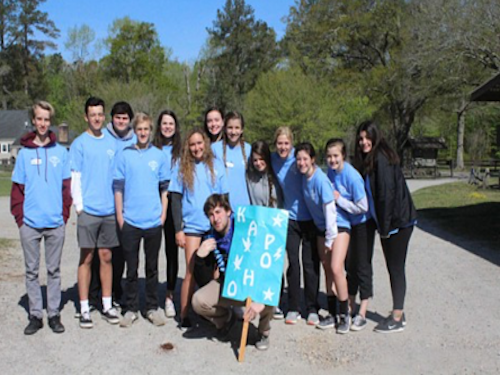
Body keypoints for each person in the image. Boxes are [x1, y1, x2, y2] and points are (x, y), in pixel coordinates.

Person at [11, 101, 71, 335]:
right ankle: (36, 314)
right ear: (33, 121)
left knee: (54, 270)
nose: (43, 123)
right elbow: (17, 190)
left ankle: (54, 313)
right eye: (39, 119)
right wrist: (20, 219)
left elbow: (66, 188)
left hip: (55, 223)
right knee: (32, 271)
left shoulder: (60, 152)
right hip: (31, 224)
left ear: (50, 121)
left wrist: (64, 214)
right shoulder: (25, 154)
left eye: (47, 119)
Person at [354, 120, 417, 333]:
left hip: (398, 223)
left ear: (375, 136)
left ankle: (397, 316)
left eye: (367, 137)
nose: (363, 142)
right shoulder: (370, 159)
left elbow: (387, 195)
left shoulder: (381, 158)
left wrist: (386, 227)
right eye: (360, 138)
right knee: (393, 267)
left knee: (396, 267)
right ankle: (398, 310)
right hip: (389, 223)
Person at [191, 194, 274, 350]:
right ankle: (226, 320)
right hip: (229, 285)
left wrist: (260, 302)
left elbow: (271, 268)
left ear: (228, 211)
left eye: (218, 212)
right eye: (210, 215)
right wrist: (200, 258)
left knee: (270, 297)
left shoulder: (247, 228)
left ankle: (263, 332)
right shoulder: (209, 238)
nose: (215, 219)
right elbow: (203, 282)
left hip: (253, 284)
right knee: (198, 300)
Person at [168, 128, 228, 330]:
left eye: (199, 143)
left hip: (213, 227)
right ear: (188, 146)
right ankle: (184, 315)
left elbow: (224, 197)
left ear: (205, 143)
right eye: (192, 144)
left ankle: (211, 313)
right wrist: (178, 229)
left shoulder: (216, 165)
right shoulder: (181, 167)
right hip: (192, 226)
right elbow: (175, 199)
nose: (196, 148)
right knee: (191, 271)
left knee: (215, 273)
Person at [114, 113, 169, 327]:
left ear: (151, 131)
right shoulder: (125, 155)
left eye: (146, 129)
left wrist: (162, 215)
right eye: (140, 129)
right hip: (131, 221)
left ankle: (152, 307)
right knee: (132, 267)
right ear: (134, 131)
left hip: (153, 221)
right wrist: (120, 216)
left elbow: (164, 188)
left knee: (152, 267)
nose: (143, 133)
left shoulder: (159, 156)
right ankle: (131, 308)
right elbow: (118, 188)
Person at [70, 97, 120, 329]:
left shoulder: (112, 142)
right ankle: (84, 308)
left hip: (109, 210)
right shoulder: (80, 143)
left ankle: (107, 304)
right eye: (93, 114)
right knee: (87, 258)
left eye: (100, 114)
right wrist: (79, 207)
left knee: (106, 257)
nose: (97, 118)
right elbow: (75, 177)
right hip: (88, 211)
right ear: (86, 117)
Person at [89, 101, 135, 310]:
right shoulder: (104, 137)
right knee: (100, 252)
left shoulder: (135, 139)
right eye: (118, 117)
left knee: (120, 253)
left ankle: (116, 289)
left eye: (125, 118)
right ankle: (94, 292)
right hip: (104, 202)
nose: (121, 121)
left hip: (127, 204)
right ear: (112, 118)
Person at [271, 127, 319, 325]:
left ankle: (312, 307)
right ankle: (293, 306)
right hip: (289, 218)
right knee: (293, 262)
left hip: (309, 218)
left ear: (291, 144)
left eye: (286, 143)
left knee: (310, 264)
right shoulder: (273, 160)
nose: (283, 147)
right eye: (280, 143)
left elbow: (315, 177)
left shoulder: (299, 159)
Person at [325, 138, 370, 332]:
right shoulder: (330, 172)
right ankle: (340, 308)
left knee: (354, 267)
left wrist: (340, 200)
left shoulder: (352, 177)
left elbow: (363, 207)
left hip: (358, 224)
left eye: (336, 156)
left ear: (343, 156)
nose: (332, 160)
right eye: (329, 156)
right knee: (336, 268)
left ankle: (355, 313)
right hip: (338, 224)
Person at [294, 143, 339, 331]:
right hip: (319, 229)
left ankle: (339, 310)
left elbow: (330, 211)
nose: (302, 163)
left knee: (333, 269)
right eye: (298, 159)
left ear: (313, 159)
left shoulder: (319, 180)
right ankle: (332, 307)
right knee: (326, 267)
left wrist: (330, 238)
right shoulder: (306, 177)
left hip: (331, 230)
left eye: (305, 159)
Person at [152, 109, 182, 318]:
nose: (167, 127)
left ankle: (170, 295)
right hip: (152, 202)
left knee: (172, 252)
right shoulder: (152, 149)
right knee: (152, 251)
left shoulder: (181, 151)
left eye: (171, 123)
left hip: (174, 202)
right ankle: (150, 295)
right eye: (164, 123)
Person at [212, 111, 251, 211]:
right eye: (230, 128)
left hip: (245, 209)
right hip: (223, 208)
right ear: (224, 129)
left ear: (242, 129)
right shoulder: (215, 149)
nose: (233, 132)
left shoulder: (249, 149)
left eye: (237, 128)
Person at [246, 140, 283, 208]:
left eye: (261, 159)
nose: (258, 163)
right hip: (257, 216)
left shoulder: (277, 174)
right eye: (255, 160)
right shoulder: (250, 177)